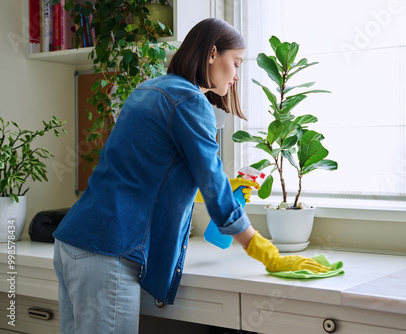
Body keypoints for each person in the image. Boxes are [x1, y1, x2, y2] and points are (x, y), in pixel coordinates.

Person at [53, 18, 328, 333]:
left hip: (74, 242)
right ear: (213, 54)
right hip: (107, 251)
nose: (237, 76)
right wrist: (261, 249)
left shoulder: (150, 89)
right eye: (235, 63)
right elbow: (213, 183)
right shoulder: (190, 100)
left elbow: (144, 172)